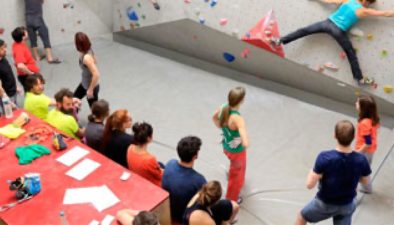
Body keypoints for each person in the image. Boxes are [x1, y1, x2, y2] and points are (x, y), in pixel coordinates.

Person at [272, 0, 394, 85]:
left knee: (303, 31)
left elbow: (331, 1)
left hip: (326, 23)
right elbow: (385, 13)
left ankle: (280, 41)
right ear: (367, 2)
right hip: (338, 31)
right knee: (350, 53)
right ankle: (359, 78)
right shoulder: (364, 10)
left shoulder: (348, 0)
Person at [295, 120, 371, 225]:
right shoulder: (361, 159)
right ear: (353, 137)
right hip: (347, 204)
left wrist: (311, 172)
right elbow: (365, 181)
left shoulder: (325, 157)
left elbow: (309, 185)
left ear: (334, 135)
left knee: (301, 216)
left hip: (325, 204)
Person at [212, 87, 249, 203]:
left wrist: (222, 127)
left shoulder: (223, 107)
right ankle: (231, 198)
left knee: (240, 167)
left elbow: (214, 117)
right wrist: (246, 142)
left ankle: (240, 179)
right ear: (241, 100)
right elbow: (245, 141)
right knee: (235, 175)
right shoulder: (237, 118)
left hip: (227, 145)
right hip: (236, 151)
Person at [162, 136, 207, 224]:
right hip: (184, 216)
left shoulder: (170, 163)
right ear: (195, 156)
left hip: (169, 208)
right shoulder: (199, 180)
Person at [355, 95, 379, 193]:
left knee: (356, 171)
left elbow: (368, 142)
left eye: (358, 103)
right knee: (365, 170)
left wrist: (357, 152)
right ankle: (367, 189)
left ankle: (352, 194)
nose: (356, 103)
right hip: (370, 151)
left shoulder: (364, 123)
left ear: (362, 108)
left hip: (364, 151)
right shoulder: (373, 118)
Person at [127, 122, 162, 187]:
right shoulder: (150, 159)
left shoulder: (130, 148)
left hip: (138, 178)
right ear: (149, 138)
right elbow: (160, 176)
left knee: (160, 164)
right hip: (151, 185)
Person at [73, 32, 100, 108]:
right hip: (84, 83)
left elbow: (96, 74)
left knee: (94, 110)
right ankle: (74, 117)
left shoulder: (86, 57)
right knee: (74, 99)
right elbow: (95, 61)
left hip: (90, 87)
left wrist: (90, 90)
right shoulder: (87, 50)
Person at [11, 27, 40, 91]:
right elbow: (20, 66)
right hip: (27, 76)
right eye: (26, 32)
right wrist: (31, 73)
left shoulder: (18, 43)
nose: (27, 32)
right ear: (23, 37)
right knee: (32, 93)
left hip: (27, 75)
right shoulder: (19, 49)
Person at [0, 39, 18, 110]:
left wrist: (15, 87)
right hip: (6, 96)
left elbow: (8, 75)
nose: (5, 50)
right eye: (2, 48)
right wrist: (8, 101)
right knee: (10, 115)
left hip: (12, 91)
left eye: (5, 47)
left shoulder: (3, 58)